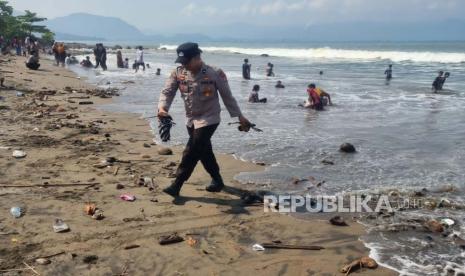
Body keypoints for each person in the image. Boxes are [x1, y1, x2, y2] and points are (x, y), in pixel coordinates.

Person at [158, 42, 251, 198]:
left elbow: (227, 96)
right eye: (181, 62)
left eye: (187, 61)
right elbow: (167, 92)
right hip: (191, 119)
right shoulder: (178, 73)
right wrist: (162, 108)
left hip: (210, 118)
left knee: (192, 150)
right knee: (204, 151)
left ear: (197, 57)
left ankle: (177, 184)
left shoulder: (215, 73)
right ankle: (217, 179)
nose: (184, 65)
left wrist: (239, 116)